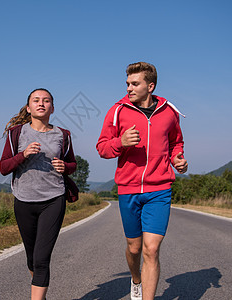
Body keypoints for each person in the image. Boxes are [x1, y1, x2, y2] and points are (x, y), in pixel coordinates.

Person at [96, 62, 188, 300]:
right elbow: (102, 148)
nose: (129, 88)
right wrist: (120, 142)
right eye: (127, 83)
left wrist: (178, 159)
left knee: (152, 249)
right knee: (135, 248)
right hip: (128, 189)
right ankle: (135, 278)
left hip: (160, 188)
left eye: (134, 84)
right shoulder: (117, 111)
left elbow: (176, 142)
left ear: (150, 86)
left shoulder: (169, 112)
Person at [0, 88, 77, 300]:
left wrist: (65, 166)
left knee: (42, 259)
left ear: (52, 108)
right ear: (29, 107)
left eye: (46, 101)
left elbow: (72, 164)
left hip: (53, 199)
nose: (41, 104)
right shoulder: (16, 133)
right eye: (36, 100)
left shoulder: (63, 135)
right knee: (32, 259)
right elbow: (4, 167)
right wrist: (23, 155)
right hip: (24, 200)